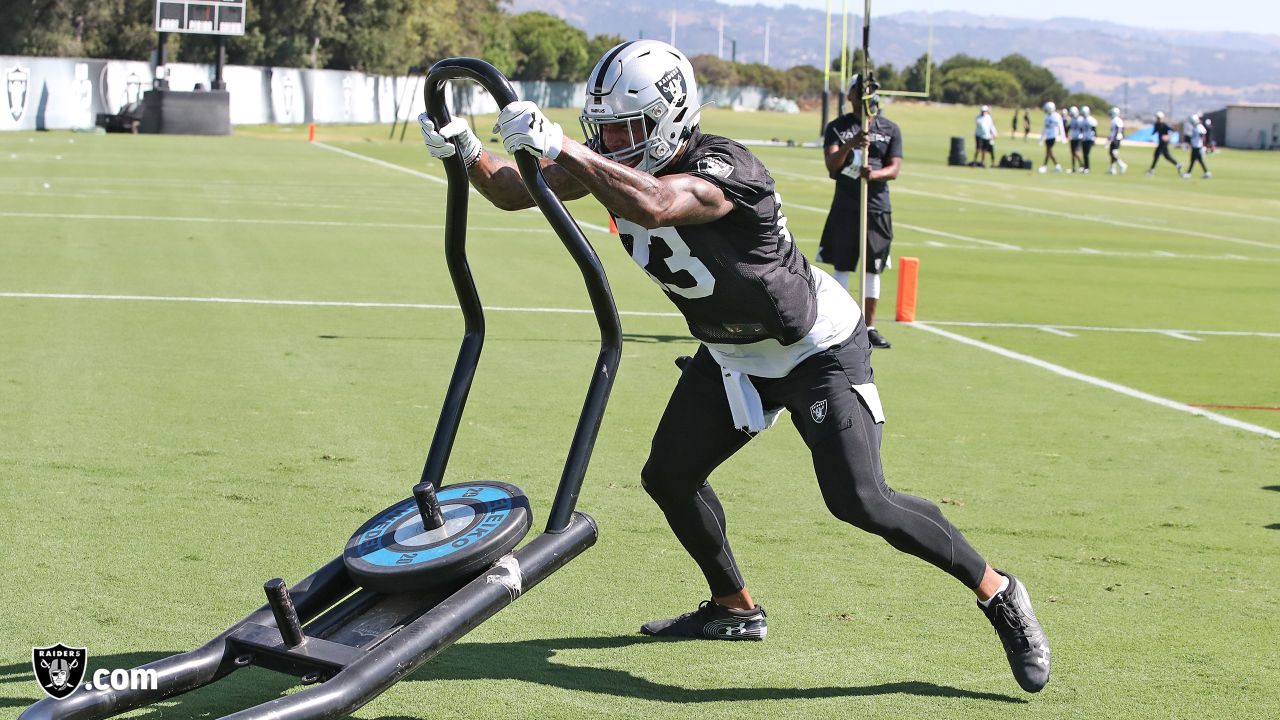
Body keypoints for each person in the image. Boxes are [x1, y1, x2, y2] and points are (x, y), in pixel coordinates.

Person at [418, 39, 1050, 694]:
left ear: (671, 114)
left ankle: (999, 593)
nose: (612, 141)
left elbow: (658, 204)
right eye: (600, 130)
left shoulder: (725, 166)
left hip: (814, 350)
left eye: (625, 128)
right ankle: (734, 607)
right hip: (732, 353)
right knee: (669, 475)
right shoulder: (611, 160)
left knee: (860, 499)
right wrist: (466, 149)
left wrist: (565, 148)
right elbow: (511, 189)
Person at [817, 73, 903, 349]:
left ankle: (869, 326)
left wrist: (875, 174)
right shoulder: (838, 127)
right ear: (851, 94)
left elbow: (895, 168)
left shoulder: (889, 128)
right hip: (846, 204)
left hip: (876, 206)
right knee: (842, 264)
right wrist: (851, 144)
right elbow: (832, 165)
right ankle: (841, 326)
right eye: (861, 90)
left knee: (873, 268)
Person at [1147, 111, 1183, 176]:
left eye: (1159, 118)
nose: (1158, 119)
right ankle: (1178, 165)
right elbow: (1154, 131)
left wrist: (1168, 136)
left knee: (1157, 154)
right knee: (1166, 156)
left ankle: (1152, 170)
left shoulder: (1164, 125)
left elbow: (1173, 130)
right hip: (1161, 142)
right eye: (1157, 118)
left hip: (1164, 142)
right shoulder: (1157, 124)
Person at [1038, 101, 1064, 173]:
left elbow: (1060, 127)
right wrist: (1041, 138)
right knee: (1049, 152)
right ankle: (1057, 165)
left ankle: (1044, 166)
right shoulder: (1046, 117)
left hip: (1053, 136)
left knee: (1048, 151)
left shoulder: (1056, 116)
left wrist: (1062, 137)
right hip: (1048, 136)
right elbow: (1045, 128)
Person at [1183, 114, 1211, 179]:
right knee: (1195, 160)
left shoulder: (1199, 126)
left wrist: (1203, 145)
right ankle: (1205, 172)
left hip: (1198, 146)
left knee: (1196, 160)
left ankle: (1189, 173)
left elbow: (1203, 134)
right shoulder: (1195, 127)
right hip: (1195, 146)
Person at [1107, 107, 1128, 175]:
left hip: (1116, 139)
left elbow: (1118, 130)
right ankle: (1112, 169)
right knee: (1111, 153)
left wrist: (1114, 138)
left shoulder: (1117, 120)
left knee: (1113, 153)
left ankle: (1122, 165)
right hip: (1115, 138)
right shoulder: (1114, 120)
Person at [1079, 106, 1097, 174]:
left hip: (1089, 139)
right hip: (1084, 138)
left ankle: (1087, 168)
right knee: (1084, 154)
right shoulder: (1082, 120)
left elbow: (1094, 130)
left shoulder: (1091, 120)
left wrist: (1094, 139)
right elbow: (1081, 129)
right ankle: (1085, 167)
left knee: (1086, 154)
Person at [1066, 106, 1083, 173]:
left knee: (1076, 152)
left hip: (1078, 138)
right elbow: (1068, 127)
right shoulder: (1072, 120)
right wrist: (1067, 134)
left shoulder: (1080, 119)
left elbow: (1082, 129)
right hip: (1073, 137)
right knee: (1072, 153)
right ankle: (1073, 168)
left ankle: (1082, 165)